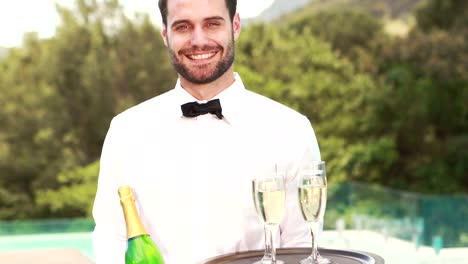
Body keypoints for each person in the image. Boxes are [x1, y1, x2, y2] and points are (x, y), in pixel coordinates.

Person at [91, 0, 321, 263]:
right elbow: (111, 237)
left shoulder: (291, 130)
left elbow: (301, 247)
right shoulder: (126, 131)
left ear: (235, 26)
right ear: (165, 34)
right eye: (183, 26)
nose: (198, 40)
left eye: (212, 24)